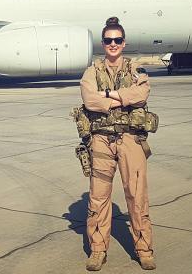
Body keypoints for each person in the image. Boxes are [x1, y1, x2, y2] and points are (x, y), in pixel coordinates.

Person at [80, 17, 156, 271]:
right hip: (101, 140)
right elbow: (90, 101)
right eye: (108, 40)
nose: (113, 44)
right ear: (103, 44)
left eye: (117, 40)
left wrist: (110, 95)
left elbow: (142, 94)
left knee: (137, 196)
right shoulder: (92, 71)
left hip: (130, 140)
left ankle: (144, 250)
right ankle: (98, 251)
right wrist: (124, 99)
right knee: (99, 198)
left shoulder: (136, 68)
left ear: (124, 43)